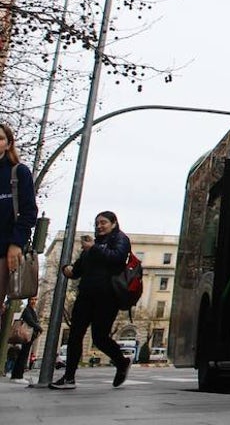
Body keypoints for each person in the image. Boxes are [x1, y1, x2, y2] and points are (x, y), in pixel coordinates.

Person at [49, 211, 133, 390]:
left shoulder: (120, 239)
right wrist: (67, 269)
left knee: (100, 337)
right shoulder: (93, 245)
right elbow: (78, 270)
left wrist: (93, 248)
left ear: (113, 223)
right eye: (97, 223)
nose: (100, 226)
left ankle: (121, 362)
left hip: (108, 296)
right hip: (86, 295)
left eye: (103, 222)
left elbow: (117, 257)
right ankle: (69, 377)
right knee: (75, 335)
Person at [0, 123, 37, 306]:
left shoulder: (18, 172)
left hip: (3, 251)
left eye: (0, 138)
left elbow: (29, 212)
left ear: (8, 144)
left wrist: (16, 244)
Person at [10, 295, 42, 381]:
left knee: (22, 355)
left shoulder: (31, 310)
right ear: (28, 300)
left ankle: (16, 375)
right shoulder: (28, 310)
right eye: (32, 299)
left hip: (29, 336)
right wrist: (39, 328)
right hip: (26, 335)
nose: (34, 301)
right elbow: (30, 321)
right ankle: (18, 376)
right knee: (23, 356)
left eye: (35, 299)